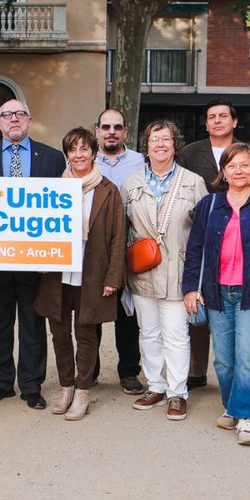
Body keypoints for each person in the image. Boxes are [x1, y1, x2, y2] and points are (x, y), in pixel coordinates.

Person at [184, 143, 250, 445]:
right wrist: (190, 287)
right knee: (223, 360)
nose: (238, 171)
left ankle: (247, 416)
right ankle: (232, 406)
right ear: (223, 172)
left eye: (245, 165)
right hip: (216, 292)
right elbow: (194, 250)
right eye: (231, 166)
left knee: (247, 356)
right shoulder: (209, 205)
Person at [0, 98, 66, 410]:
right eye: (7, 115)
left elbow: (61, 208)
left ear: (30, 120)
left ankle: (31, 385)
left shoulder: (52, 159)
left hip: (36, 260)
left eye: (20, 114)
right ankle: (1, 382)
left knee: (33, 325)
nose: (14, 118)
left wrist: (53, 255)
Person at [36, 127, 126, 421]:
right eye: (73, 149)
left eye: (84, 149)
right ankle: (66, 387)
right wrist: (40, 257)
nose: (78, 155)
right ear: (67, 155)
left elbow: (118, 237)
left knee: (86, 334)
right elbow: (38, 230)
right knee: (59, 333)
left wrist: (113, 278)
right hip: (57, 273)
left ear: (93, 153)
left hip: (92, 272)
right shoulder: (54, 189)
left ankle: (83, 390)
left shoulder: (108, 190)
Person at [121, 120, 208, 421]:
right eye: (154, 139)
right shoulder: (131, 183)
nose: (160, 145)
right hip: (142, 271)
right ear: (145, 146)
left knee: (176, 334)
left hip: (178, 271)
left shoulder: (193, 182)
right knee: (148, 332)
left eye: (166, 139)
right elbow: (124, 229)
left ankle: (177, 392)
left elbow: (203, 233)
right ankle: (155, 386)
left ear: (175, 145)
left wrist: (198, 280)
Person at [179, 100, 239, 389]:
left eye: (223, 116)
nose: (217, 120)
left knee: (233, 306)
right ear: (206, 124)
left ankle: (236, 375)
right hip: (200, 233)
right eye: (212, 117)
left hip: (238, 235)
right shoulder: (190, 153)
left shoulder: (246, 151)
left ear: (234, 121)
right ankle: (196, 371)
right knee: (199, 303)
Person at [92, 108, 146, 393]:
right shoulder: (85, 160)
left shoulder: (140, 162)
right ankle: (90, 370)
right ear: (97, 130)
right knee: (92, 310)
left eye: (117, 127)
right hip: (94, 249)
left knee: (128, 315)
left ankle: (128, 371)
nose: (111, 132)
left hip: (129, 245)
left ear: (125, 131)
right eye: (106, 127)